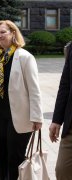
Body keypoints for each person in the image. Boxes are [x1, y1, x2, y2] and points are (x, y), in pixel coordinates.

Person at [0, 20, 43, 180]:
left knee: (15, 158)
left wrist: (37, 117)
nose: (0, 36)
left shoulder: (25, 57)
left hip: (18, 117)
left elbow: (34, 90)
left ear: (13, 33)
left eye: (3, 32)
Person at [50, 41, 72, 180]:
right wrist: (57, 120)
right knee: (62, 170)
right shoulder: (71, 48)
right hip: (71, 127)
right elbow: (65, 85)